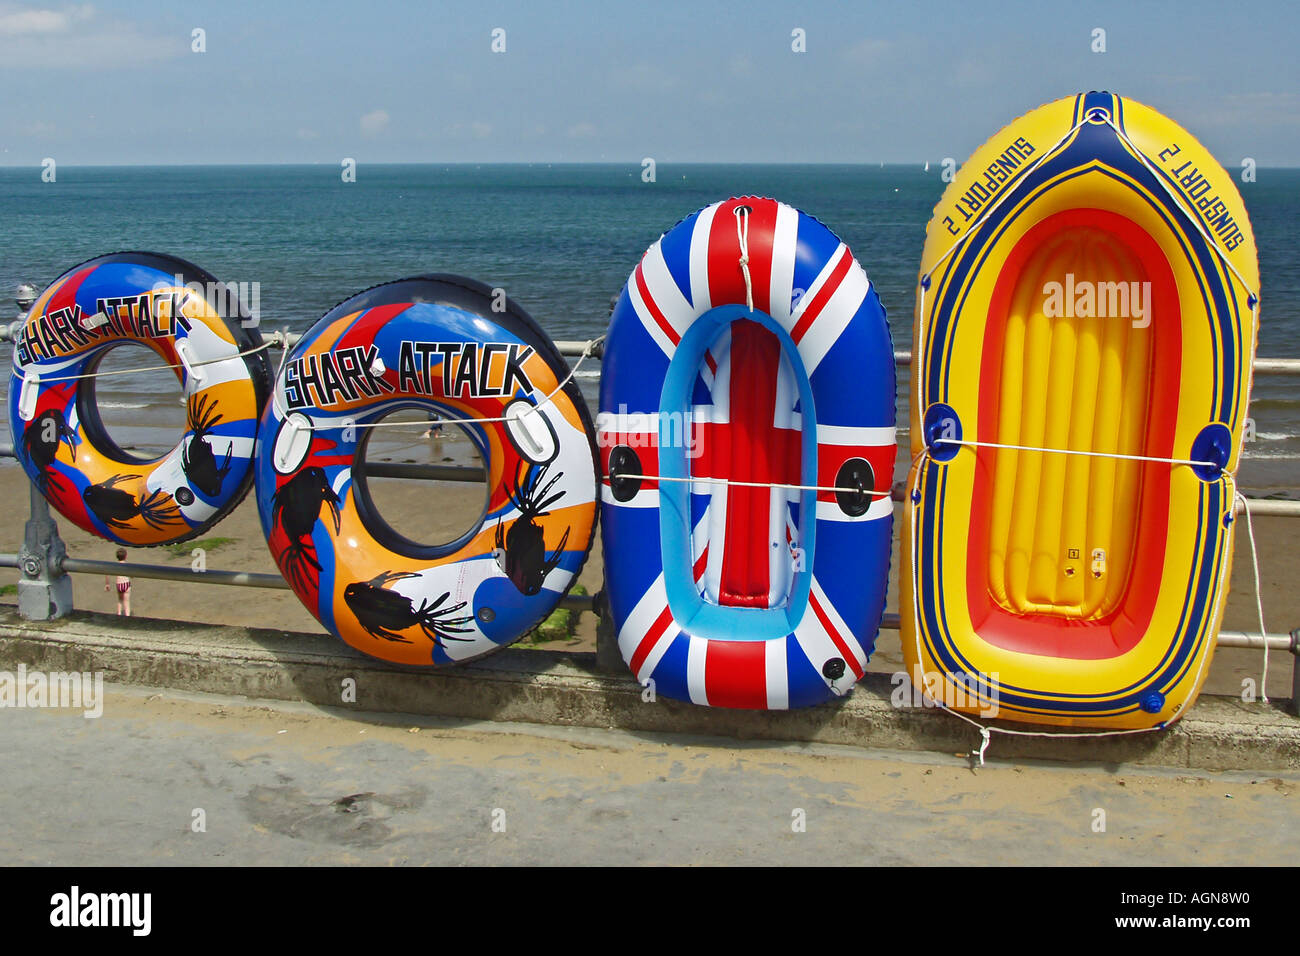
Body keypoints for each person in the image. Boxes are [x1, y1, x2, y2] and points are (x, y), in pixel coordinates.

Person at [105, 548, 131, 616]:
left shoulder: (115, 565)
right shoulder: (127, 565)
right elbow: (132, 575)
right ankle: (127, 616)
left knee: (120, 600)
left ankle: (119, 614)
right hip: (126, 583)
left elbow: (106, 572)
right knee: (126, 602)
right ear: (126, 556)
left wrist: (107, 584)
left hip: (119, 584)